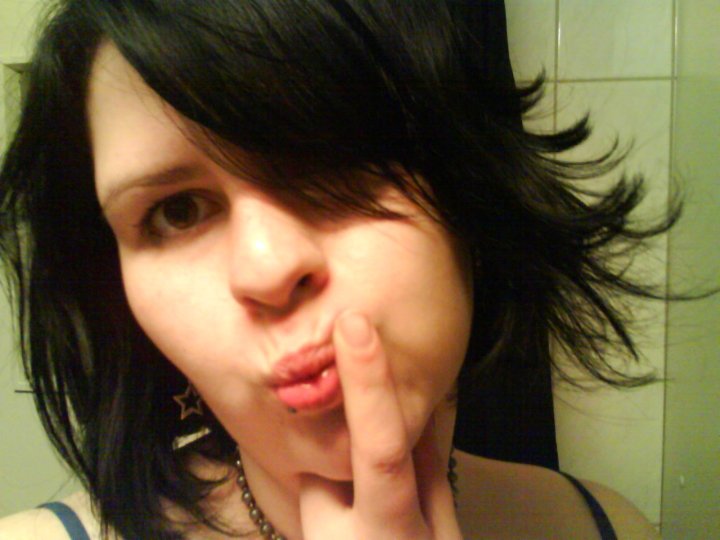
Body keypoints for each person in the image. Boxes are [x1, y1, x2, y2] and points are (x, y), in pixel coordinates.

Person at [0, 1, 668, 538]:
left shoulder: (607, 527)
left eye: (327, 158)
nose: (268, 268)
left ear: (469, 186)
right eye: (177, 213)